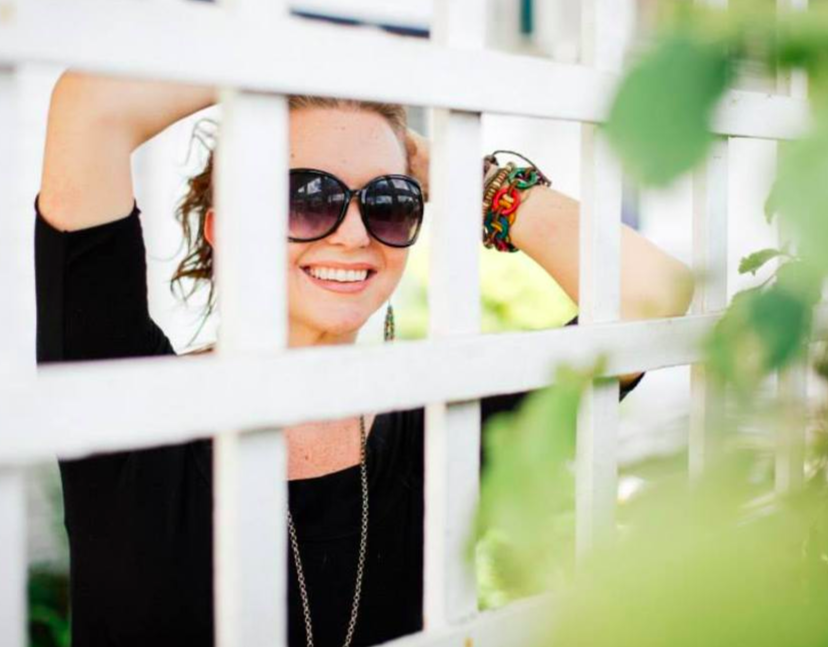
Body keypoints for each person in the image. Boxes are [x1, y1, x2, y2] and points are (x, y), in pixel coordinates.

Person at [34, 71, 693, 647]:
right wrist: (323, 56)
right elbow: (90, 109)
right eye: (306, 197)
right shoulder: (130, 401)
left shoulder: (438, 425)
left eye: (389, 202)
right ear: (222, 228)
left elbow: (648, 296)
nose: (354, 235)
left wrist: (469, 176)